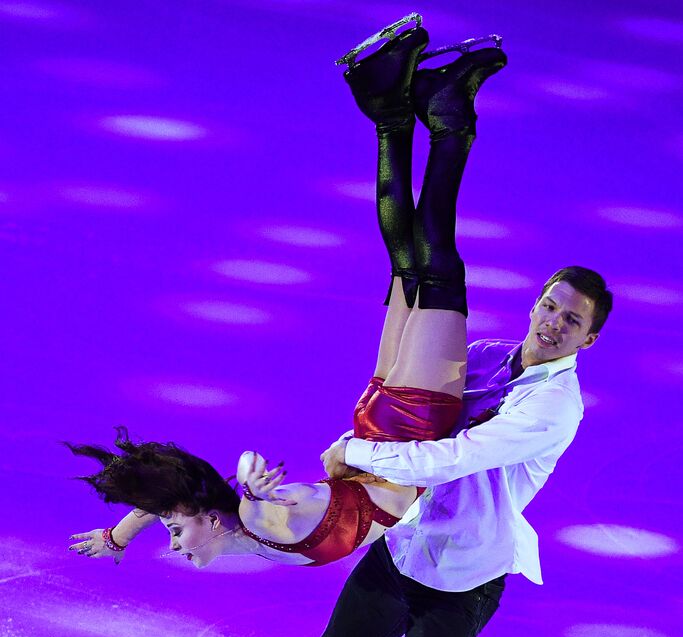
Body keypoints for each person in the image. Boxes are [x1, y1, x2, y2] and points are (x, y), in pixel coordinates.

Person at [216, 26, 613, 637]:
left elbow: (447, 458)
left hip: (463, 582)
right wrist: (356, 434)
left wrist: (357, 456)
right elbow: (408, 401)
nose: (551, 323)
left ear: (589, 339)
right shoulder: (488, 355)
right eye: (549, 305)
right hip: (403, 551)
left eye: (570, 320)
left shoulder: (553, 406)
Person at [66, 16, 507, 573]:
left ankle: (442, 116)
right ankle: (404, 104)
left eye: (174, 533)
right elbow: (179, 499)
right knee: (412, 265)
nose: (175, 544)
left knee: (435, 264)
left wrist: (254, 486)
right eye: (174, 530)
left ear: (215, 520)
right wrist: (121, 533)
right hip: (380, 427)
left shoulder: (260, 521)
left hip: (408, 422)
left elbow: (247, 491)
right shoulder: (231, 522)